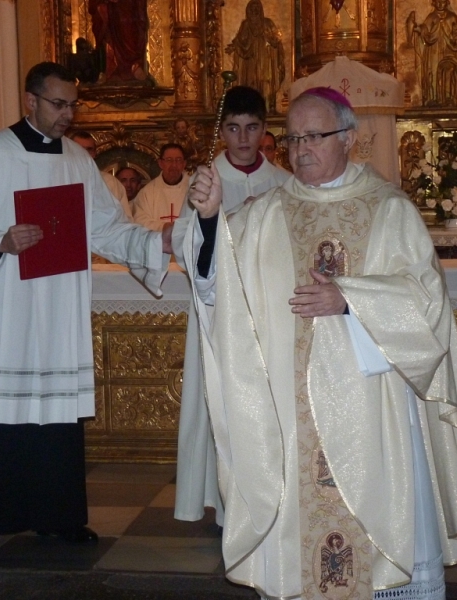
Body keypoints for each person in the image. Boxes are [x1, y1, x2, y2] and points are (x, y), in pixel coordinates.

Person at [183, 87, 457, 599]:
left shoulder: (389, 210)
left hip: (375, 410)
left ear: (347, 138)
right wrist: (211, 219)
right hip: (292, 412)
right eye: (294, 137)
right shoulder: (266, 212)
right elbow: (218, 282)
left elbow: (426, 302)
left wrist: (348, 299)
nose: (301, 149)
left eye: (314, 136)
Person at [0, 62, 171, 555]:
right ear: (30, 102)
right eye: (58, 104)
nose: (68, 114)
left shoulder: (78, 162)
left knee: (53, 420)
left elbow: (106, 228)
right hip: (4, 308)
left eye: (72, 105)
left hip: (57, 306)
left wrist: (156, 243)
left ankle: (56, 515)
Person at [172, 86, 290, 529]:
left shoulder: (283, 182)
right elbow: (187, 247)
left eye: (253, 128)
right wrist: (222, 221)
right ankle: (228, 510)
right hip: (218, 312)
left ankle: (272, 503)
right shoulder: (203, 180)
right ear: (222, 131)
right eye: (234, 128)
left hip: (268, 313)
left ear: (265, 130)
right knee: (223, 406)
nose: (243, 138)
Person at [225, 0, 285, 112]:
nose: (255, 11)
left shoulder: (268, 23)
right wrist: (234, 46)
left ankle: (268, 107)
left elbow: (276, 40)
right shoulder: (245, 25)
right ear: (248, 10)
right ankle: (251, 109)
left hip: (266, 59)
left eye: (257, 8)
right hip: (250, 61)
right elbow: (240, 41)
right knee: (251, 83)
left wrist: (271, 39)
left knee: (266, 83)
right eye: (252, 8)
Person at [70, 130, 133, 220]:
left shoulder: (111, 183)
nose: (85, 154)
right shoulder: (61, 179)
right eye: (79, 149)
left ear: (95, 153)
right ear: (70, 151)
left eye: (89, 150)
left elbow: (126, 219)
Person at [132, 143, 189, 232]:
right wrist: (164, 227)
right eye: (169, 160)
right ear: (160, 163)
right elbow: (140, 220)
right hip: (158, 243)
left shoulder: (194, 189)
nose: (174, 165)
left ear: (184, 164)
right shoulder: (148, 192)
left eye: (178, 160)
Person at [88, 0, 148, 82]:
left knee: (126, 23)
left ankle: (134, 64)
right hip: (107, 7)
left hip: (127, 8)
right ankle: (106, 68)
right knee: (102, 15)